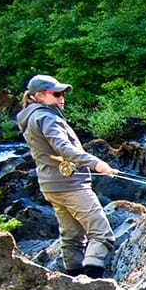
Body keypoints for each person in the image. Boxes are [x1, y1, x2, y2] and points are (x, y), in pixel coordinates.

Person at [16, 73, 117, 278]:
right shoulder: (46, 117)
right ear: (40, 96)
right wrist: (97, 164)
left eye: (62, 93)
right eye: (56, 94)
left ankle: (74, 281)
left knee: (71, 237)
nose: (62, 97)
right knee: (102, 234)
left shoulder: (31, 116)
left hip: (52, 186)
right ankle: (93, 283)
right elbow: (63, 148)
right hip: (71, 186)